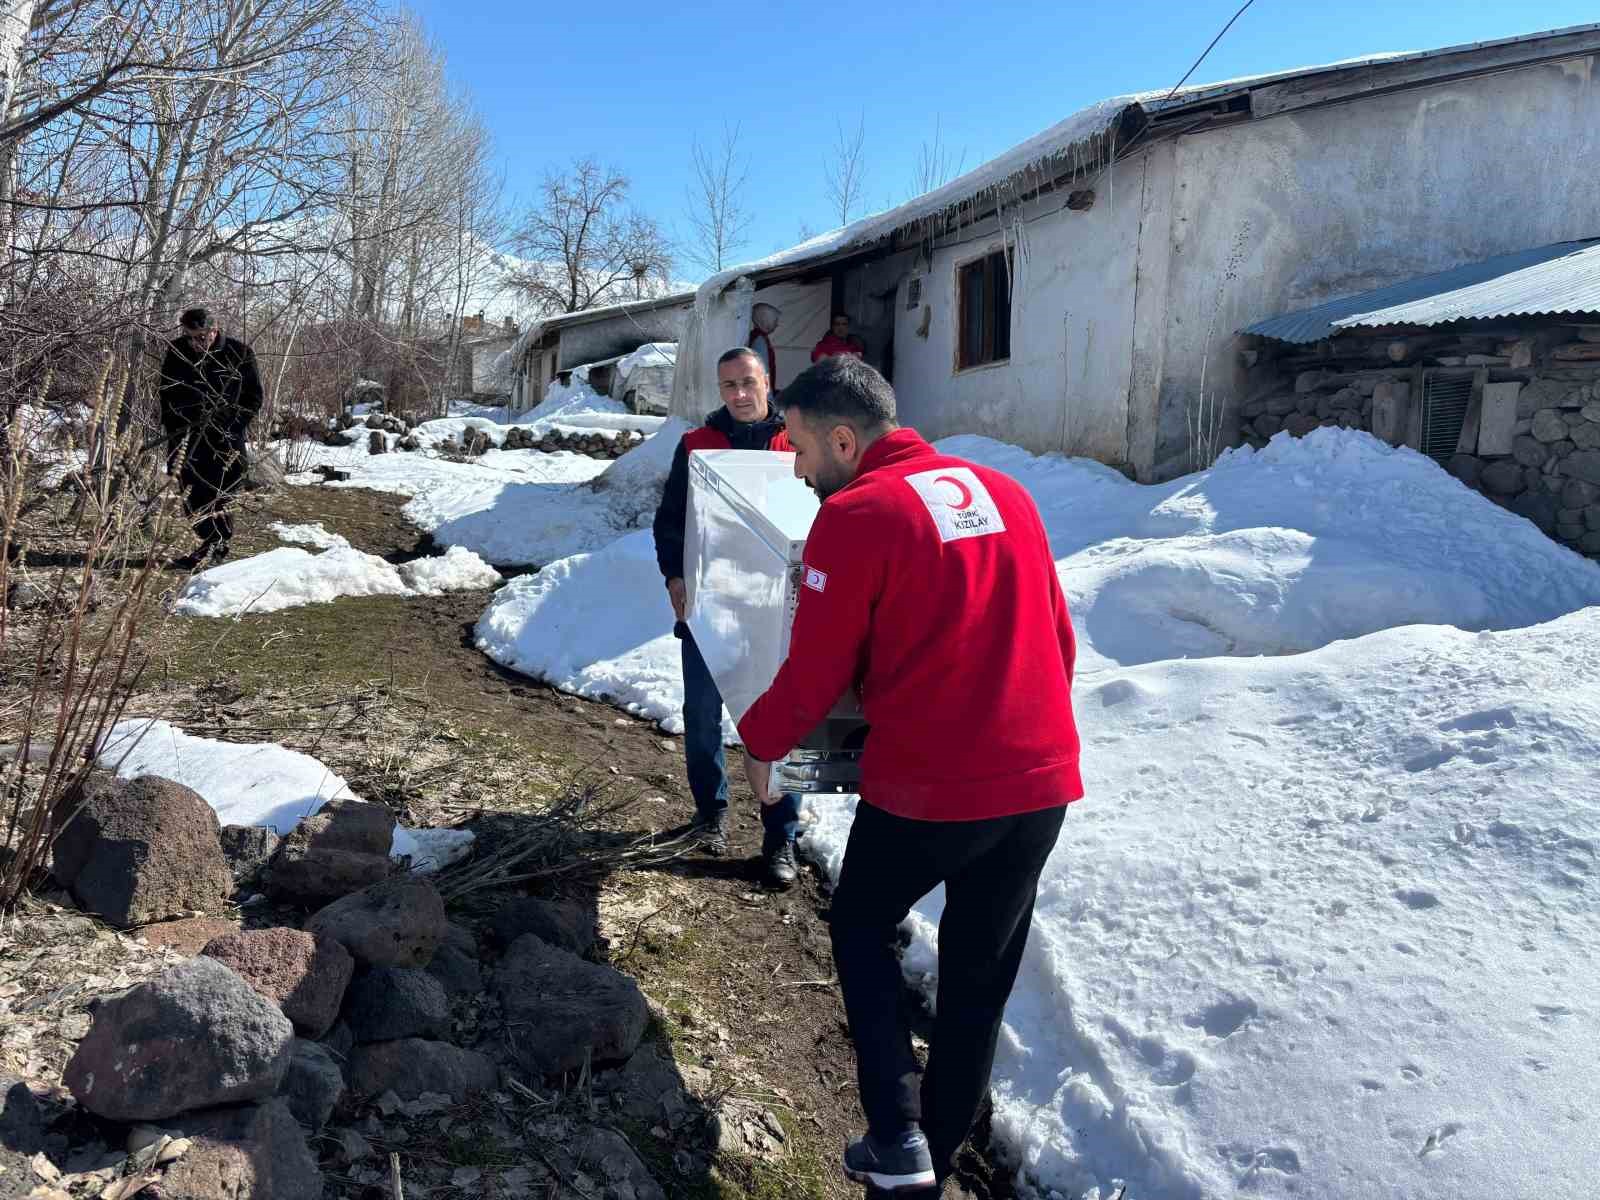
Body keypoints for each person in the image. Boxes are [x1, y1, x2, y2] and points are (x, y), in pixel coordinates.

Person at [736, 357, 1082, 1193]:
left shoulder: (857, 515)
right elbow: (1060, 640)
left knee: (859, 925)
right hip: (1039, 787)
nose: (799, 469)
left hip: (932, 789)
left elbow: (815, 673)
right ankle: (939, 1154)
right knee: (977, 982)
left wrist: (759, 746)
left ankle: (897, 1137)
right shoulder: (1006, 492)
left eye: (804, 451)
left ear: (846, 440)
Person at [650, 346, 806, 886]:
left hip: (778, 610)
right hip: (710, 606)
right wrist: (674, 576)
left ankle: (782, 837)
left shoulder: (796, 443)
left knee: (782, 722)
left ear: (768, 382)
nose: (739, 395)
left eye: (747, 382)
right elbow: (670, 522)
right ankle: (710, 814)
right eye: (728, 386)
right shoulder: (698, 446)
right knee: (700, 715)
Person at [159, 307, 263, 568]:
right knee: (191, 494)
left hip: (225, 438)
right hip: (187, 436)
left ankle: (217, 545)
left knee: (222, 492)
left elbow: (253, 399)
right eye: (190, 337)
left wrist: (230, 423)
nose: (195, 343)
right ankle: (207, 541)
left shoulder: (239, 354)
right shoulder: (177, 351)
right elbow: (166, 394)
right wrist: (177, 427)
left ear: (214, 331)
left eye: (201, 337)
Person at [748, 302, 781, 387]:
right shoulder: (760, 341)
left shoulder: (757, 337)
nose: (777, 324)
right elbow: (762, 371)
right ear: (765, 320)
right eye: (775, 321)